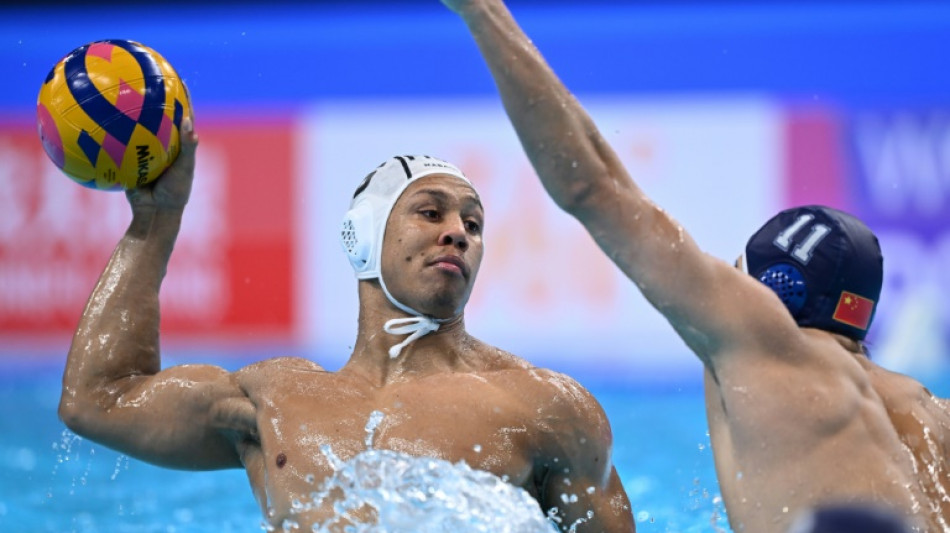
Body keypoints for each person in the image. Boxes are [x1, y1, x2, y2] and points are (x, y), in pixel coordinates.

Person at [439, 0, 950, 531]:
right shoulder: (933, 416)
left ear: (774, 292)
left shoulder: (765, 344)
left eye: (737, 275)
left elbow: (592, 187)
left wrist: (483, 13)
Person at [58, 117, 635, 531]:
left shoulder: (546, 407)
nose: (458, 231)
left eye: (473, 223)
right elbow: (97, 400)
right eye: (430, 212)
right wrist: (156, 220)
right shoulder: (274, 401)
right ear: (360, 238)